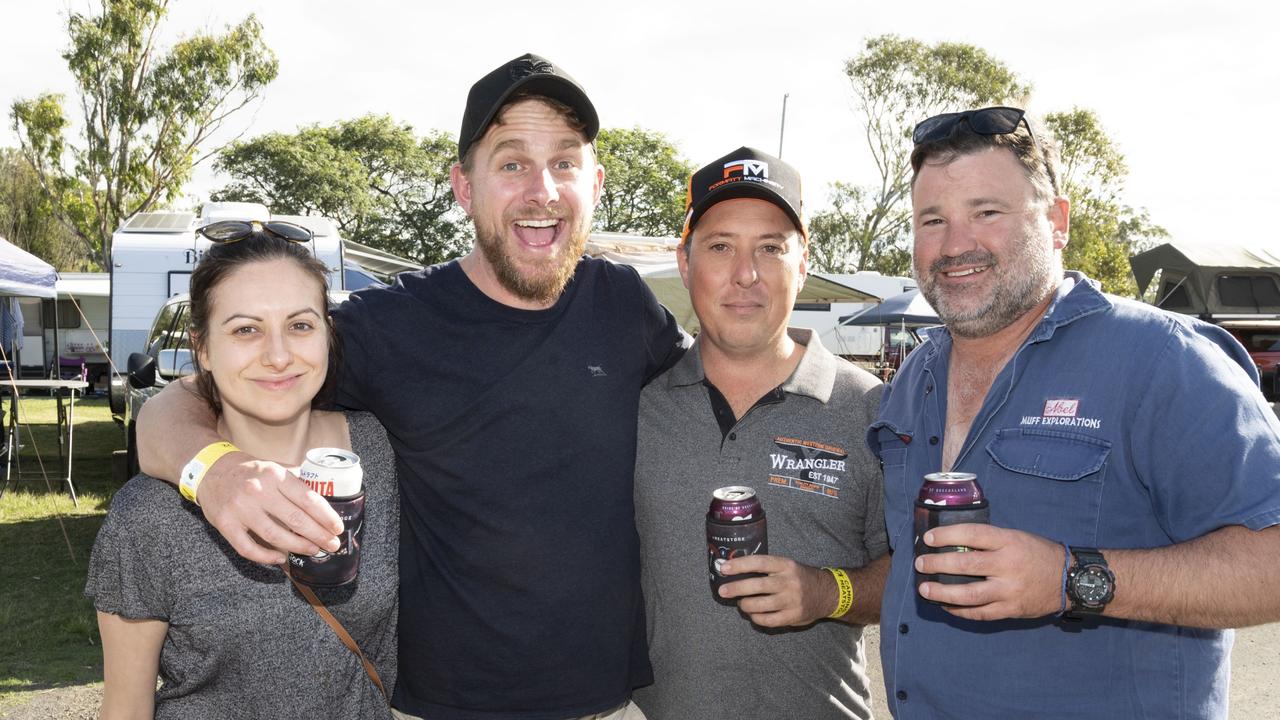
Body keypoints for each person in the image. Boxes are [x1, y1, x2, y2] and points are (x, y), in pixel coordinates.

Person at [135, 53, 686, 720]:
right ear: (463, 186)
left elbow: (716, 397)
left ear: (594, 183)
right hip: (440, 708)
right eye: (511, 162)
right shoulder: (391, 326)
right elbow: (185, 400)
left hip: (605, 703)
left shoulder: (623, 306)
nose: (542, 188)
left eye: (564, 162)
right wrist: (213, 473)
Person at [867, 106, 1280, 719]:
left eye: (987, 212)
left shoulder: (1164, 360)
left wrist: (1071, 578)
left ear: (1056, 221)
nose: (956, 246)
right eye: (933, 220)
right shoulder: (915, 378)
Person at [87, 223, 398, 718]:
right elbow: (125, 707)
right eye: (245, 330)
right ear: (203, 349)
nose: (278, 356)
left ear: (327, 335)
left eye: (300, 325)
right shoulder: (149, 514)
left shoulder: (379, 453)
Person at [632, 147, 890, 720]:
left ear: (802, 264)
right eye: (720, 246)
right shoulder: (637, 409)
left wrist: (829, 592)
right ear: (685, 262)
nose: (745, 274)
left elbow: (913, 573)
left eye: (770, 248)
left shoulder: (873, 408)